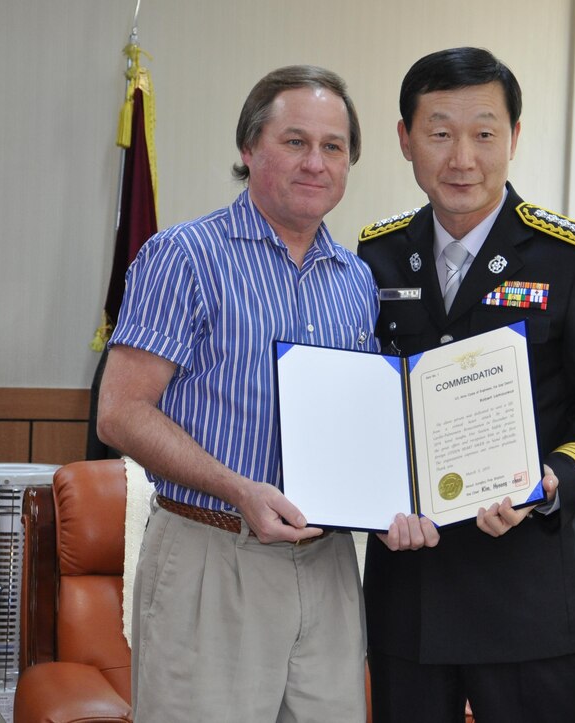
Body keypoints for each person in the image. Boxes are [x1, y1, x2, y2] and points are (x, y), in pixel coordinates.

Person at [357, 47, 575, 722]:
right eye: (439, 133)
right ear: (405, 140)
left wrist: (552, 483)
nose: (462, 158)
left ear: (514, 137)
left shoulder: (572, 259)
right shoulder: (373, 256)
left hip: (530, 600)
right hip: (411, 599)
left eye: (484, 133)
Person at [97, 65, 377, 722]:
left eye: (333, 146)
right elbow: (120, 412)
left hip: (331, 564)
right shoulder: (183, 257)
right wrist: (238, 488)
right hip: (211, 553)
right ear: (249, 149)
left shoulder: (357, 280)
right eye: (295, 141)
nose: (316, 162)